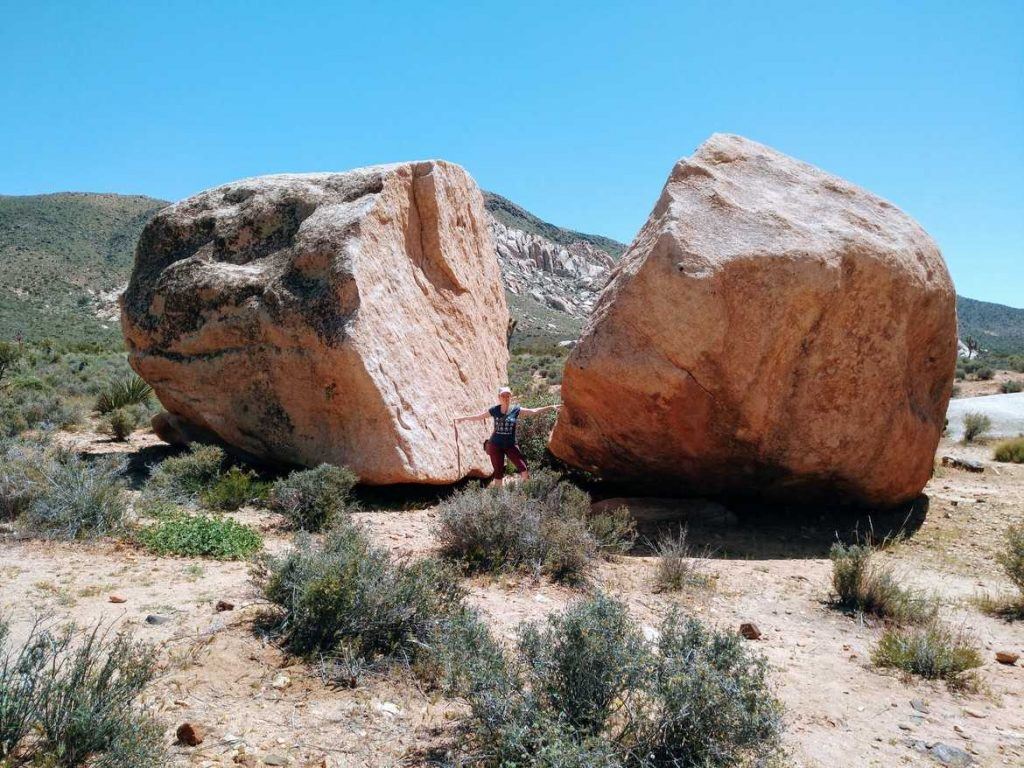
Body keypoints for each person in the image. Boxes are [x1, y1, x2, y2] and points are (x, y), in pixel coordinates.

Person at [454, 386, 561, 486]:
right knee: (498, 472)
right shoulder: (494, 410)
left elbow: (533, 411)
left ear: (511, 397)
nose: (505, 398)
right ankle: (499, 498)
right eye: (503, 395)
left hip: (511, 445)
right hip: (495, 446)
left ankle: (527, 492)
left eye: (508, 395)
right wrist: (463, 418)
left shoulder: (516, 409)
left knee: (523, 468)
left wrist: (551, 407)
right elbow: (479, 417)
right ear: (499, 397)